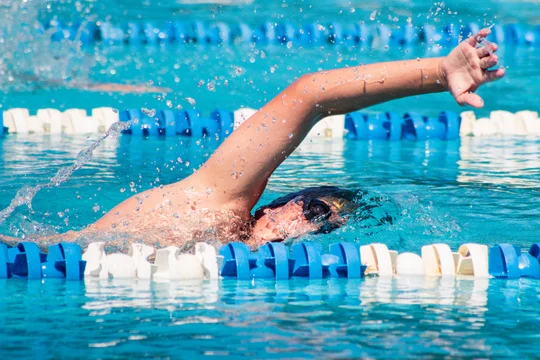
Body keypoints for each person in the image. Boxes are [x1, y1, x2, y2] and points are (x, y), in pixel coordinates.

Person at [0, 29, 504, 251]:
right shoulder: (217, 202)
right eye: (315, 211)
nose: (309, 229)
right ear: (274, 203)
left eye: (324, 227)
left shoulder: (237, 274)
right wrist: (437, 72)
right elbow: (310, 95)